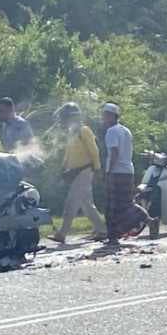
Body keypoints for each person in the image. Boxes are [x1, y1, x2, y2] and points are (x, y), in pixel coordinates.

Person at [50, 102, 107, 244]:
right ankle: (101, 230)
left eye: (64, 118)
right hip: (76, 172)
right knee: (86, 204)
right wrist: (64, 168)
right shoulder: (72, 132)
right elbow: (69, 153)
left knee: (71, 202)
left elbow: (94, 151)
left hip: (85, 170)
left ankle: (62, 233)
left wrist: (98, 168)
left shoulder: (84, 131)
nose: (62, 121)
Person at [101, 102, 135, 246]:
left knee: (112, 205)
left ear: (110, 116)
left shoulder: (111, 131)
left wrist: (109, 171)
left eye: (104, 115)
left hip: (117, 172)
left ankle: (112, 235)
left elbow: (114, 153)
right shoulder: (126, 130)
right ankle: (149, 221)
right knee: (127, 203)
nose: (103, 118)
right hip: (128, 170)